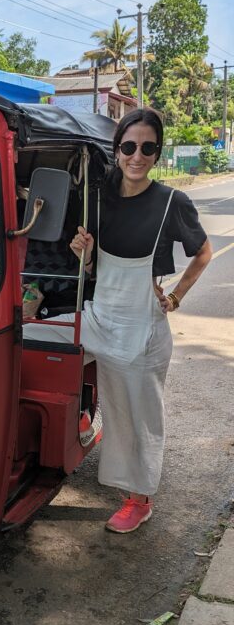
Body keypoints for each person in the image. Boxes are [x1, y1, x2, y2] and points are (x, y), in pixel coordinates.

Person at [35, 107, 212, 534]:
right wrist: (84, 254)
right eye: (129, 146)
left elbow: (203, 253)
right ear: (116, 150)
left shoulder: (171, 202)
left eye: (148, 148)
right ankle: (67, 425)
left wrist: (175, 296)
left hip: (142, 332)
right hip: (99, 317)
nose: (137, 156)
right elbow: (94, 269)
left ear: (157, 153)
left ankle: (138, 499)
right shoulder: (99, 199)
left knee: (135, 419)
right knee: (28, 338)